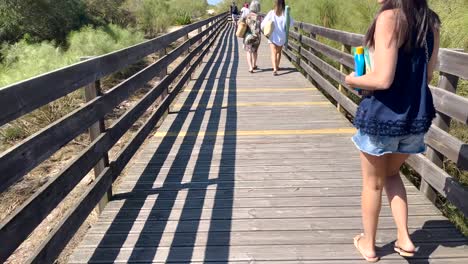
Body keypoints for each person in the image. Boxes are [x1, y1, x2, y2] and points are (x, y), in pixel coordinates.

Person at [344, 0, 440, 262]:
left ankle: (369, 245)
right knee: (393, 174)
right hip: (415, 118)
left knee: (372, 184)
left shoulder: (389, 18)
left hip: (383, 117)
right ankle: (404, 238)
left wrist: (352, 79)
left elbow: (382, 79)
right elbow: (428, 74)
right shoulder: (430, 21)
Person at [261, 0, 294, 76]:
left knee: (273, 53)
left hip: (273, 36)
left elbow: (262, 24)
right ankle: (277, 66)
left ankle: (275, 69)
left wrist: (265, 30)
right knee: (279, 52)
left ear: (275, 4)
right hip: (282, 36)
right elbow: (292, 23)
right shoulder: (285, 14)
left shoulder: (271, 13)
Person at [242, 1, 262, 73]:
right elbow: (261, 27)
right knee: (255, 51)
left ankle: (250, 67)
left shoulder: (247, 16)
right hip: (257, 37)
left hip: (248, 36)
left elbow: (240, 23)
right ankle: (254, 64)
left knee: (249, 51)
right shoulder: (259, 17)